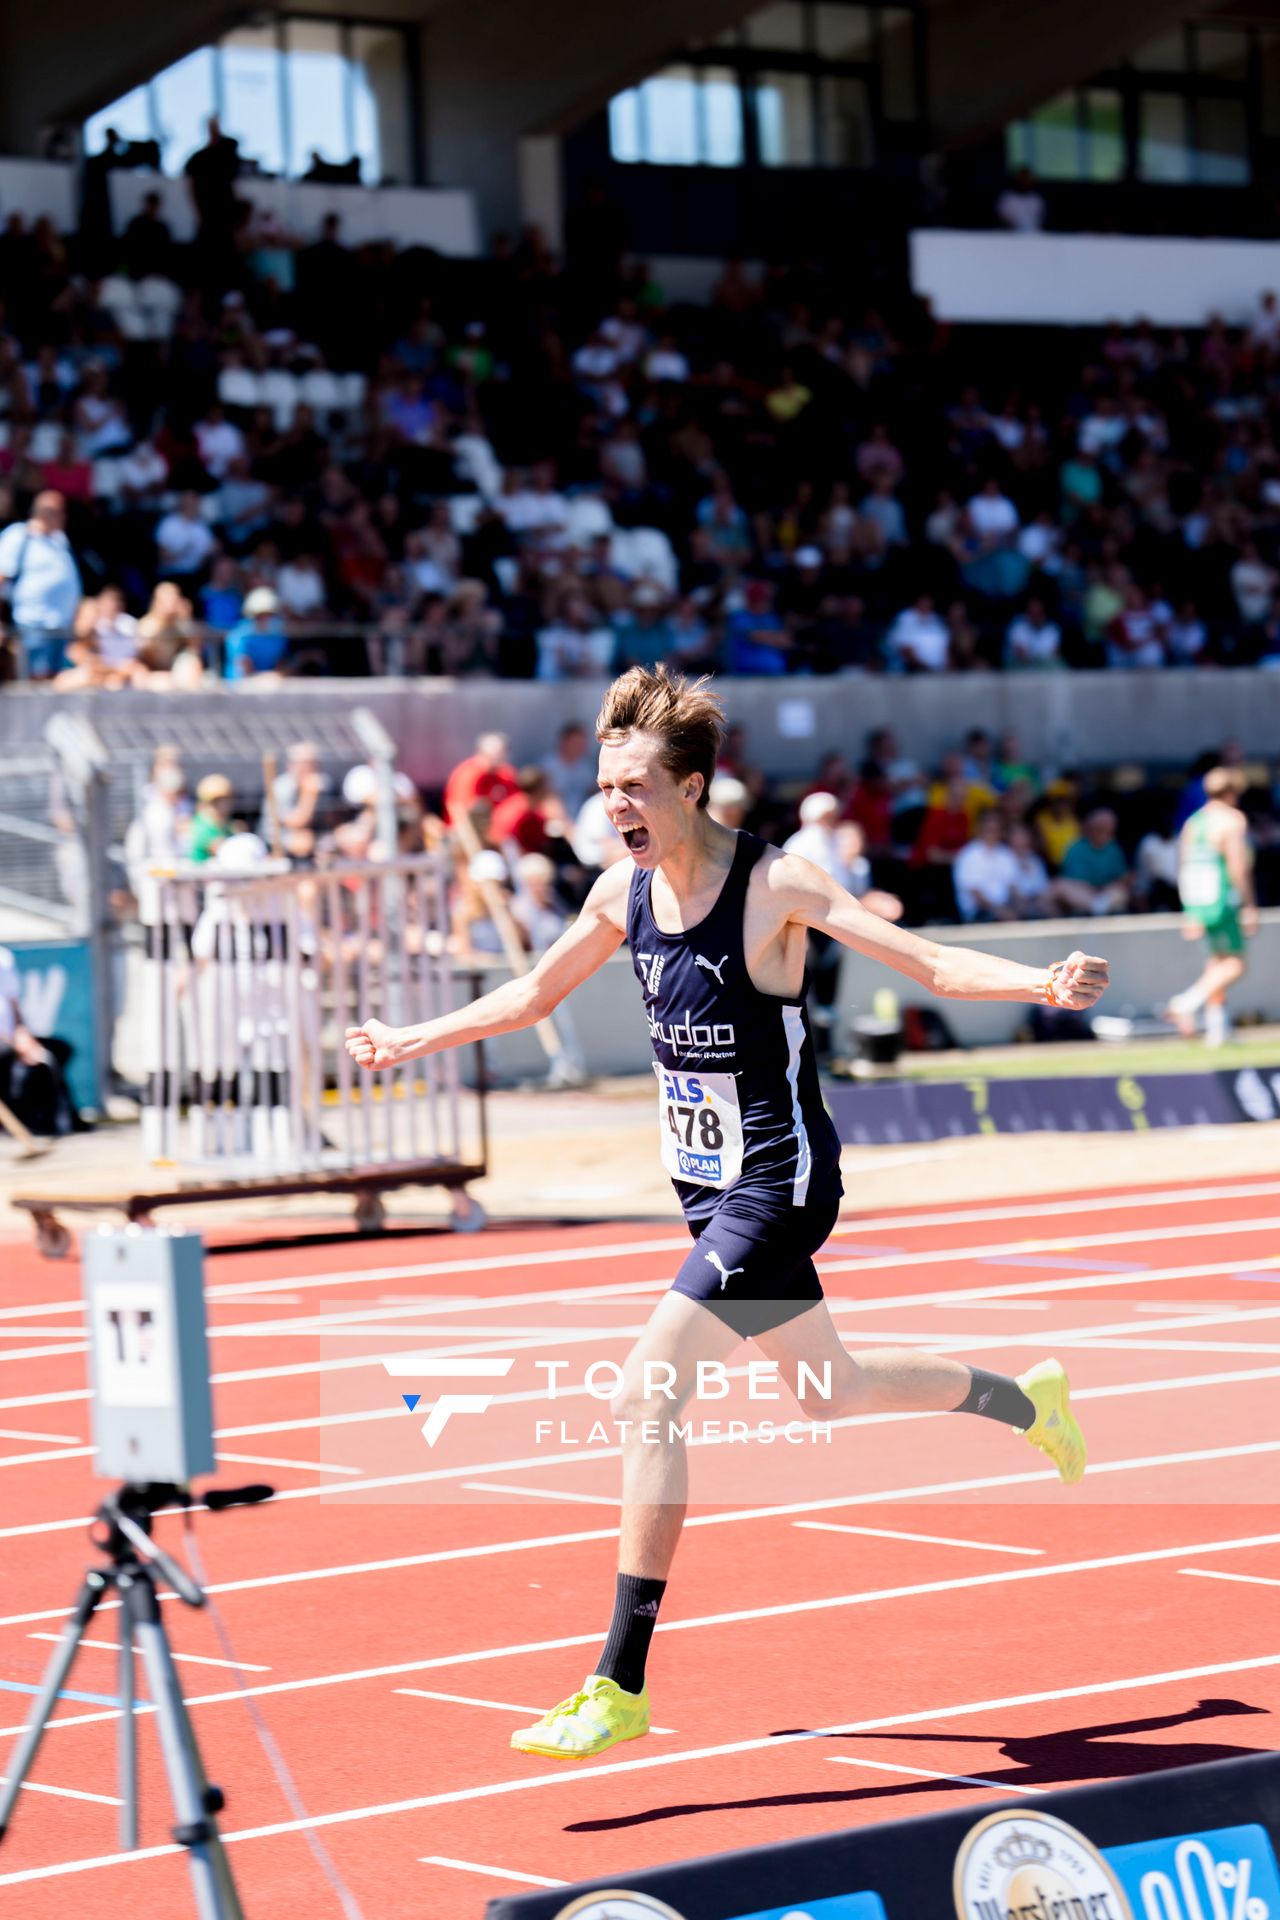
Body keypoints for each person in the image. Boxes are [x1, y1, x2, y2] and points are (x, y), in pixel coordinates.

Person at [346, 666, 1107, 1760]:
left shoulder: (775, 886)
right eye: (605, 788)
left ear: (691, 788)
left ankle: (618, 1681)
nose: (615, 807)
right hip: (705, 1192)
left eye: (636, 788)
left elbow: (926, 958)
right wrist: (411, 1040)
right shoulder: (619, 894)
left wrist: (1039, 984)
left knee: (642, 1390)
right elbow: (530, 996)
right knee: (825, 1391)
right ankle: (1023, 1402)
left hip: (781, 1182)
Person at [1167, 766, 1257, 1044]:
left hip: (1197, 898)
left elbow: (1182, 865)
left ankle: (1218, 1030)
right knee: (1235, 965)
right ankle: (1186, 1003)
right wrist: (1249, 904)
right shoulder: (1232, 820)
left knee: (1215, 963)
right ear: (1233, 792)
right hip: (1222, 896)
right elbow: (1237, 865)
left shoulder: (1193, 822)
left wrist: (1188, 909)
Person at [0, 490, 82, 680]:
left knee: (55, 684)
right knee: (37, 684)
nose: (64, 517)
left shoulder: (59, 540)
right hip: (33, 626)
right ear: (44, 512)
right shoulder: (18, 535)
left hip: (61, 628)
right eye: (60, 511)